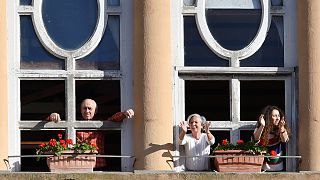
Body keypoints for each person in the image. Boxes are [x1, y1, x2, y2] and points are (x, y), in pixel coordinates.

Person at [47, 98, 134, 170]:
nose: (87, 111)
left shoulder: (100, 125)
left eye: (90, 108)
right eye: (84, 108)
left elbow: (113, 119)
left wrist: (124, 114)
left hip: (98, 166)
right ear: (80, 110)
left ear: (95, 111)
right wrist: (51, 117)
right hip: (77, 165)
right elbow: (52, 127)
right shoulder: (72, 125)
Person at [253, 105, 290, 171]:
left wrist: (281, 128)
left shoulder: (281, 128)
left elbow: (285, 140)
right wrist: (262, 126)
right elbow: (256, 138)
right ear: (269, 117)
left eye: (278, 116)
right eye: (275, 116)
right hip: (263, 168)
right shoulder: (260, 128)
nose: (278, 118)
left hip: (279, 168)